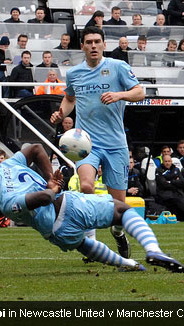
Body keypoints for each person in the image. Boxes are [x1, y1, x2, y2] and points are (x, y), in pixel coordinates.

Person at [0, 144, 184, 272]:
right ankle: (153, 251)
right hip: (66, 206)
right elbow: (36, 152)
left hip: (57, 232)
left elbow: (44, 196)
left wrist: (50, 185)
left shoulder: (4, 201)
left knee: (83, 244)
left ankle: (129, 264)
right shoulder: (7, 166)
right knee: (122, 210)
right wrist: (51, 183)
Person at [50, 27, 144, 256]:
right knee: (86, 186)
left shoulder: (117, 67)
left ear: (103, 44)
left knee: (119, 205)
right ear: (82, 46)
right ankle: (92, 244)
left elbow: (140, 92)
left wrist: (119, 95)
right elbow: (70, 98)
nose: (93, 46)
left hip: (115, 143)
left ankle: (118, 233)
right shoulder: (74, 73)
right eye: (89, 42)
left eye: (97, 41)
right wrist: (61, 112)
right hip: (86, 142)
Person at [155, 154, 184, 222]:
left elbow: (182, 182)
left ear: (171, 161)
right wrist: (176, 181)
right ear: (163, 162)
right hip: (163, 193)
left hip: (176, 192)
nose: (167, 163)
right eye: (166, 161)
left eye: (169, 161)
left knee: (183, 197)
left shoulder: (176, 169)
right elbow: (163, 184)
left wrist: (170, 181)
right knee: (177, 199)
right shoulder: (159, 170)